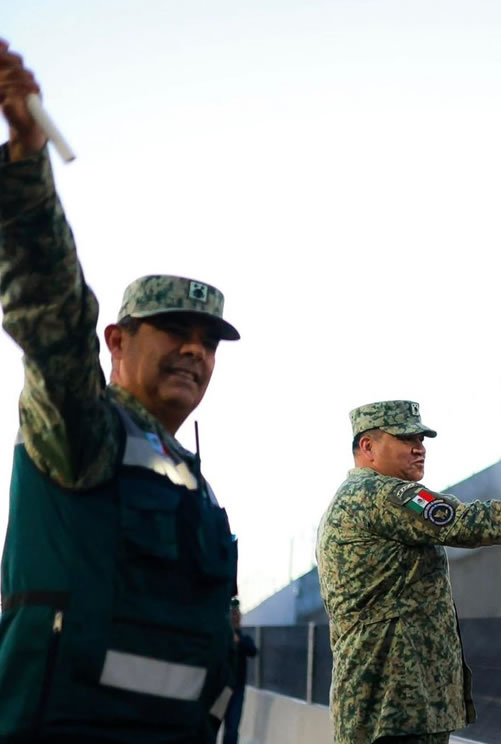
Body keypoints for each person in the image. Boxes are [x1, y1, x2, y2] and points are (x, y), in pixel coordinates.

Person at [0, 40, 241, 743]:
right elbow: (52, 313)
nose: (194, 350)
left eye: (208, 341)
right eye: (174, 330)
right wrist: (28, 162)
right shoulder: (86, 430)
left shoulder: (188, 477)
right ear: (116, 341)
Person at [316, 400, 501, 744]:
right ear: (368, 446)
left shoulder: (351, 499)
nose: (419, 448)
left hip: (387, 702)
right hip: (395, 704)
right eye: (406, 439)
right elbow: (463, 522)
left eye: (421, 439)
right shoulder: (379, 494)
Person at [221, 600, 258, 744]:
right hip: (222, 690)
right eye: (233, 615)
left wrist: (238, 641)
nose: (236, 618)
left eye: (237, 615)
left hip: (237, 691)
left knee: (232, 730)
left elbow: (253, 651)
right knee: (213, 726)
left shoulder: (244, 639)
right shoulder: (222, 637)